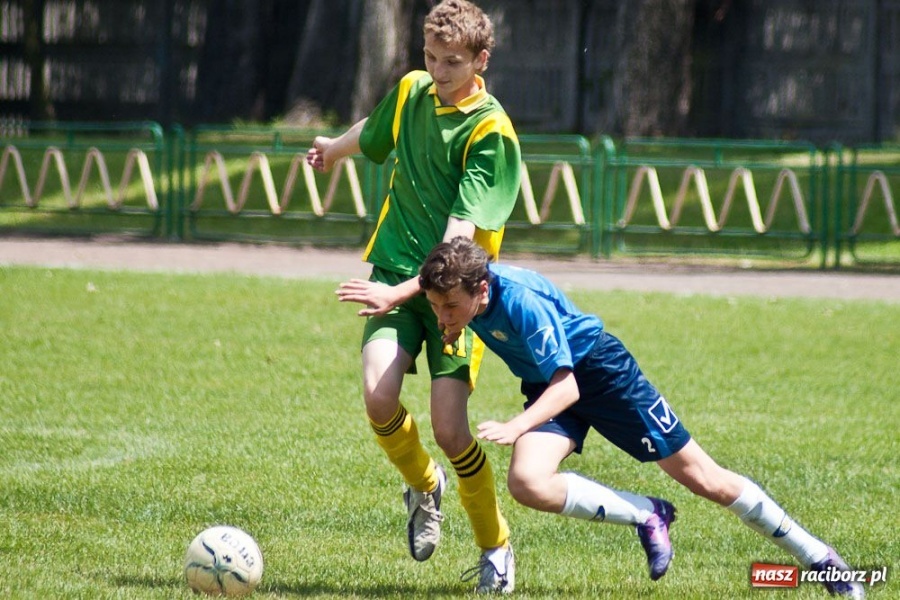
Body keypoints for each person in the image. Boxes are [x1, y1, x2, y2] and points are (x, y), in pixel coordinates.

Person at [416, 236, 866, 599]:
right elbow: (437, 298)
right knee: (528, 483)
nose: (443, 316)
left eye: (450, 308)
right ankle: (648, 515)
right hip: (548, 383)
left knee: (706, 479)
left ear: (482, 289)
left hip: (601, 375)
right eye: (437, 307)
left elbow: (569, 387)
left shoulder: (520, 303)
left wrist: (517, 426)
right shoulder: (463, 291)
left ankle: (819, 558)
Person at [308, 1, 520, 593]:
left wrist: (397, 294)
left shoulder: (490, 132)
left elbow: (458, 243)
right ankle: (426, 486)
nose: (438, 70)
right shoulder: (412, 90)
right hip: (396, 266)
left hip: (456, 295)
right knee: (379, 398)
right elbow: (375, 133)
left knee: (452, 430)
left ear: (481, 60)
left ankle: (495, 546)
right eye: (430, 57)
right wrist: (333, 149)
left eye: (452, 61)